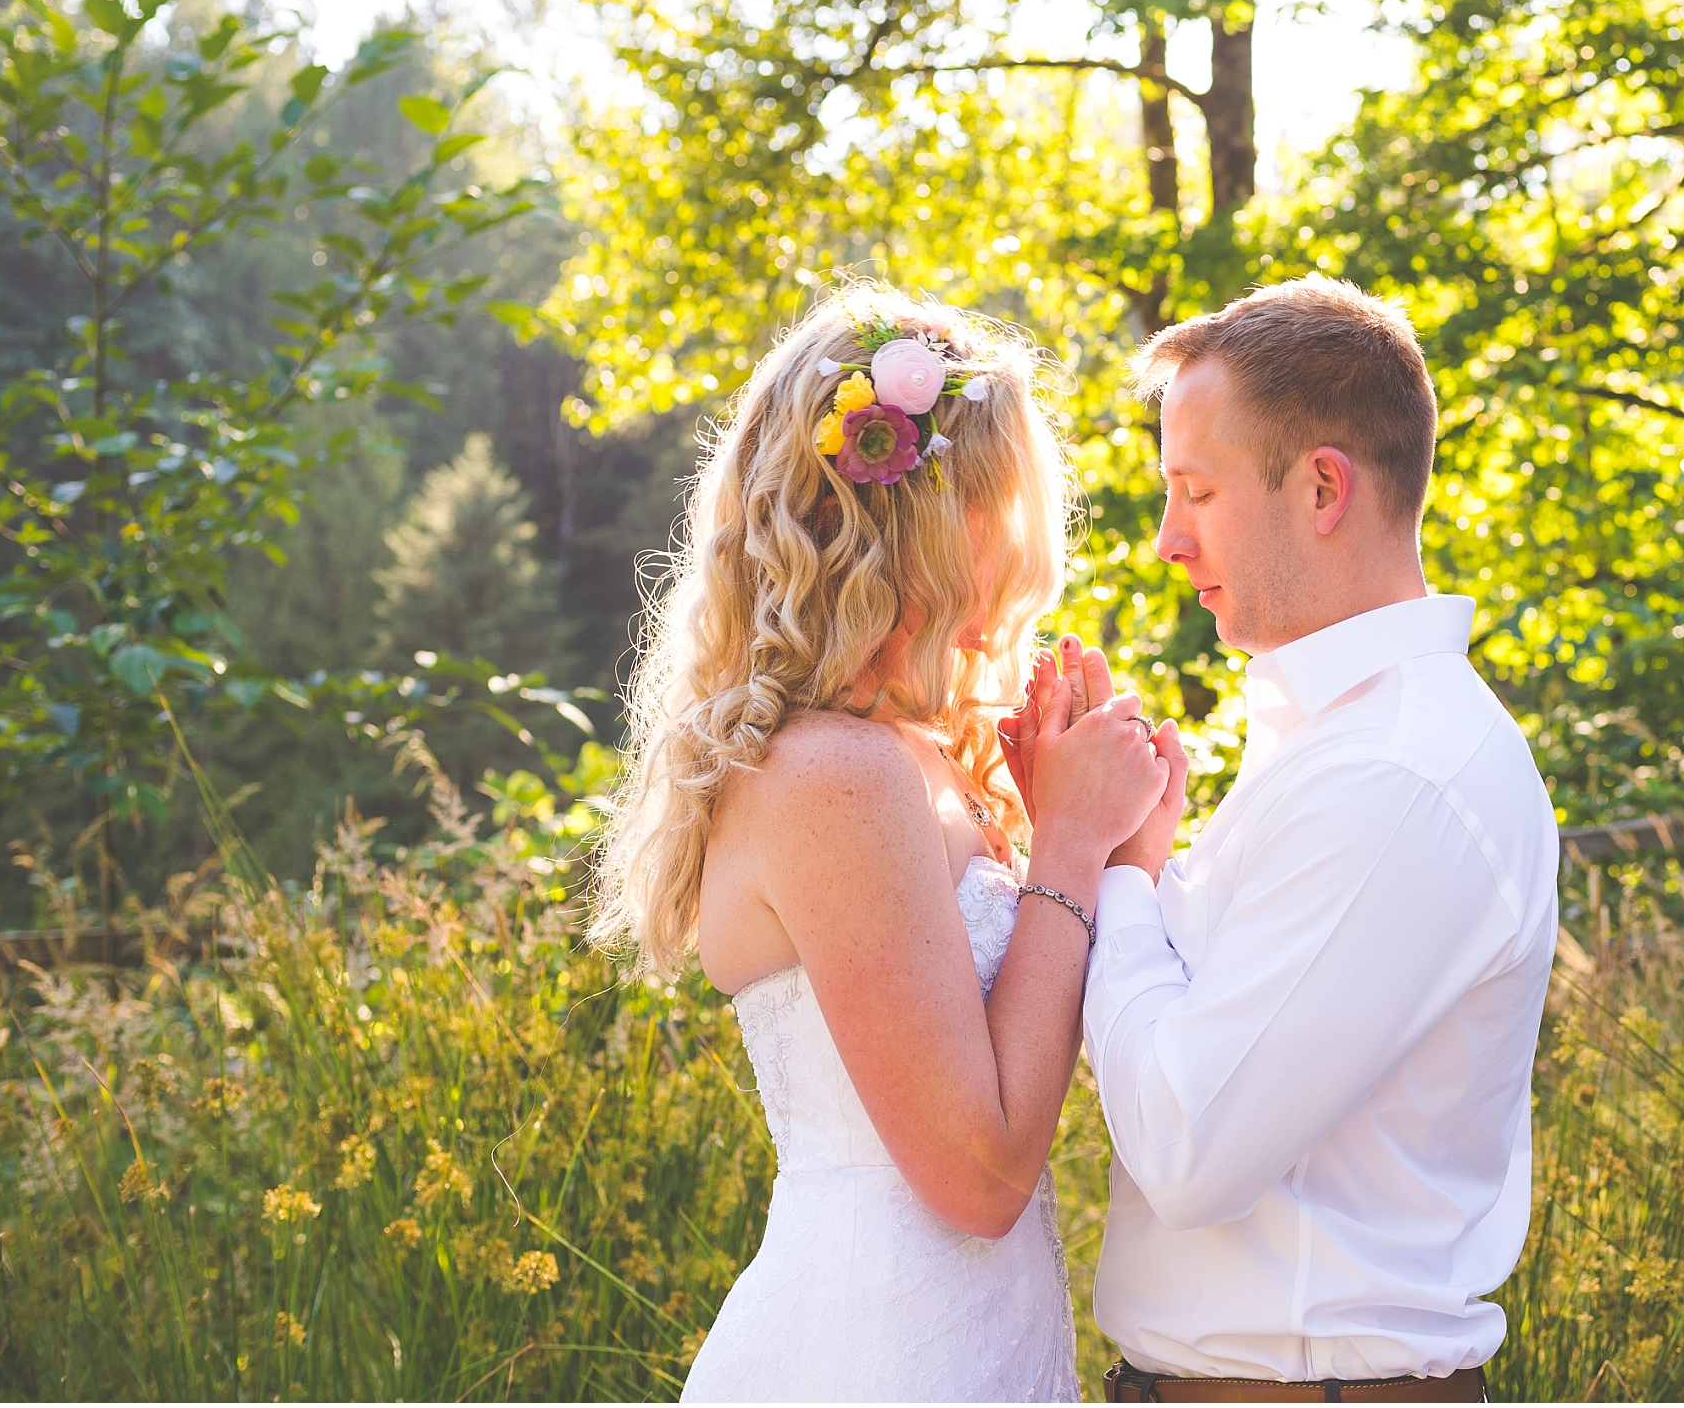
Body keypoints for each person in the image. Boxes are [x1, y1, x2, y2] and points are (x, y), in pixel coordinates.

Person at [587, 283, 1171, 1402]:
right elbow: (981, 1171)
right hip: (873, 1351)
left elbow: (1046, 1050)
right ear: (926, 519)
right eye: (999, 500)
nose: (1021, 543)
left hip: (972, 1337)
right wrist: (1067, 858)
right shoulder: (830, 776)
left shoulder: (921, 760)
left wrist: (1114, 848)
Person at [1000, 278, 1558, 1401]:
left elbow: (1190, 1148)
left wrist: (1121, 874)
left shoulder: (1395, 776)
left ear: (1320, 488)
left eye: (1195, 492)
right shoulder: (1332, 745)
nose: (1166, 540)